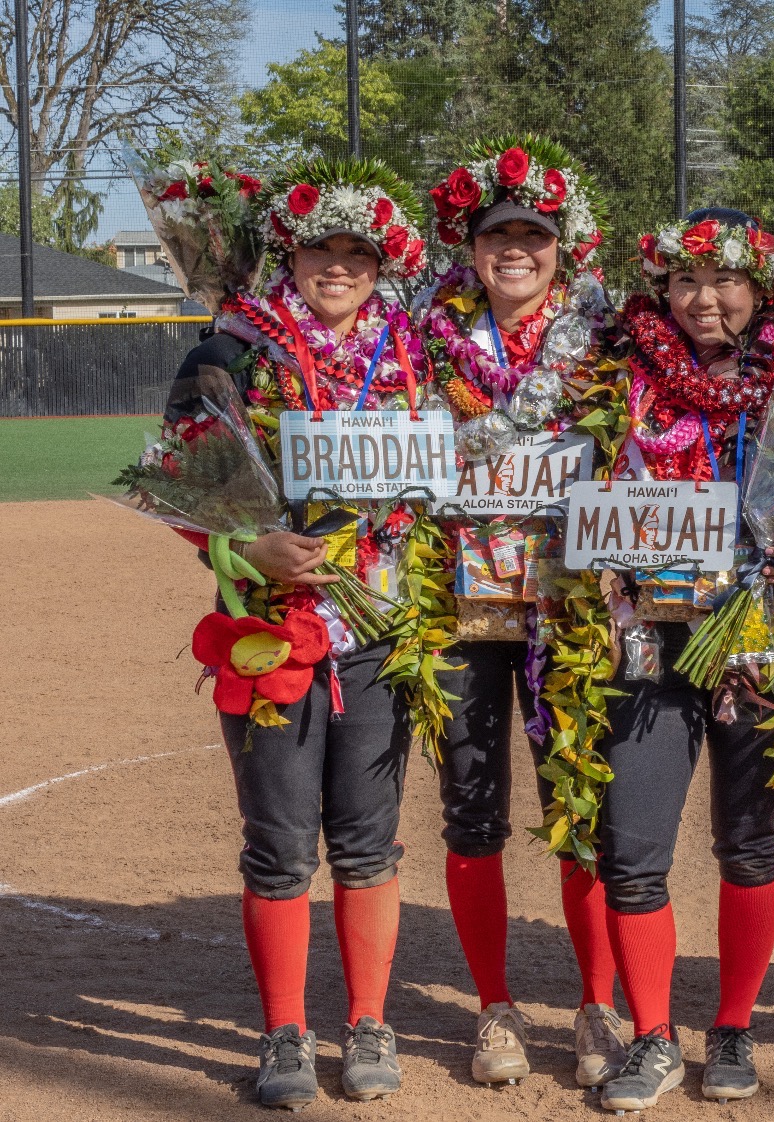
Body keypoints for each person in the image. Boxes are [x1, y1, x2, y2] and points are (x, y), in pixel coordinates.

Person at [167, 159, 433, 1109]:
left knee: (367, 843)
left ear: (382, 264)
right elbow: (183, 489)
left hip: (380, 630)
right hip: (270, 633)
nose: (339, 266)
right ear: (291, 251)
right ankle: (285, 1030)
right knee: (279, 845)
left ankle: (368, 1021)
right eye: (323, 247)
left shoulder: (417, 353)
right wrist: (250, 546)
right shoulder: (229, 350)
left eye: (359, 252)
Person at [592, 209, 774, 1113]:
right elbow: (573, 480)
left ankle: (733, 1025)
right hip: (649, 633)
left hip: (756, 632)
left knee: (751, 844)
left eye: (724, 280)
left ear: (760, 288)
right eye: (685, 281)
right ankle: (653, 1036)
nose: (703, 299)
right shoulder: (616, 372)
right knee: (632, 848)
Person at [417, 137, 627, 1089]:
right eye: (497, 235)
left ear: (561, 246)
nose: (515, 250)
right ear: (471, 248)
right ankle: (494, 1007)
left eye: (533, 236)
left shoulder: (605, 337)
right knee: (472, 809)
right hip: (462, 604)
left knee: (579, 802)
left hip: (568, 607)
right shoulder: (422, 338)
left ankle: (595, 1005)